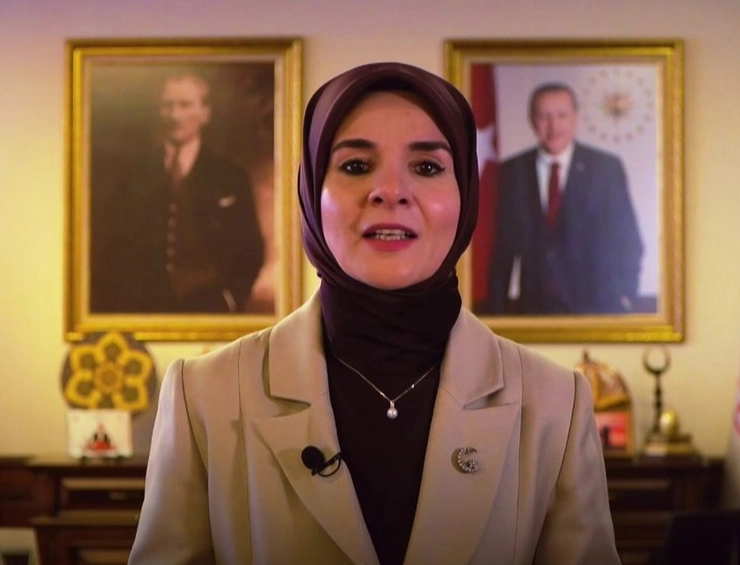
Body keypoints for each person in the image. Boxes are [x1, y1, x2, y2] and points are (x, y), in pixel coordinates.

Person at [128, 62, 620, 565]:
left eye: (426, 167)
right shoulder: (202, 394)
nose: (390, 191)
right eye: (356, 166)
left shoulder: (556, 403)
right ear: (311, 192)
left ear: (466, 195)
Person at [91, 69, 264, 314]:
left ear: (205, 113)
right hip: (142, 308)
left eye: (185, 105)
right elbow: (114, 248)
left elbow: (250, 248)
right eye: (167, 106)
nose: (175, 115)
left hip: (210, 306)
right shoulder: (134, 175)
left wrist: (231, 298)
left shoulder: (230, 177)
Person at [483, 82, 644, 315]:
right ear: (532, 120)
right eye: (544, 116)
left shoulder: (606, 168)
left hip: (598, 307)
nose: (553, 126)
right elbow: (502, 250)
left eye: (561, 115)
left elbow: (628, 239)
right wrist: (495, 313)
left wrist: (625, 295)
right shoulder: (512, 172)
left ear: (576, 118)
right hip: (534, 310)